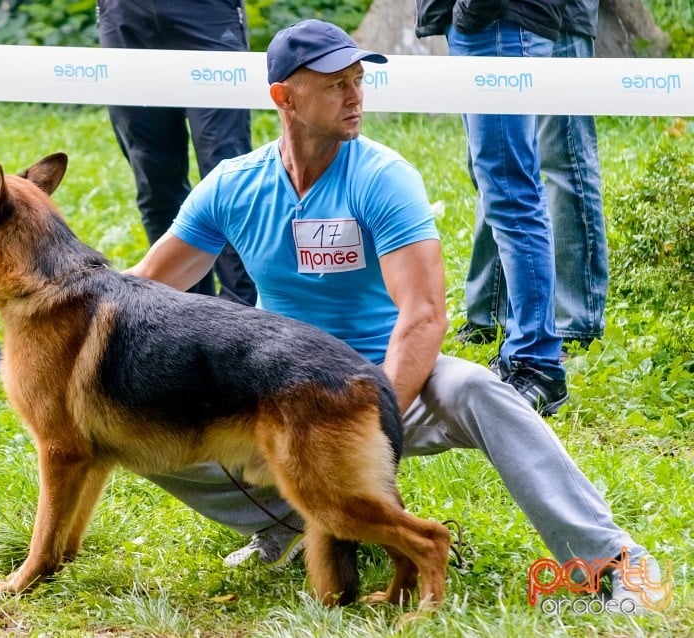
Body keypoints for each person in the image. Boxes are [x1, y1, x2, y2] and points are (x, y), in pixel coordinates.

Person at [128, 18, 660, 604]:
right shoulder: (232, 186)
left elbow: (426, 314)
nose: (355, 96)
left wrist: (364, 426)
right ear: (284, 97)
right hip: (276, 389)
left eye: (358, 80)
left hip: (381, 377)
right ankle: (283, 521)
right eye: (334, 84)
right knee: (132, 426)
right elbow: (150, 285)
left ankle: (613, 561)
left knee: (480, 389)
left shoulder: (383, 177)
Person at [415, 0, 569, 416]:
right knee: (506, 192)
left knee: (512, 194)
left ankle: (537, 363)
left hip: (498, 24)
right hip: (489, 24)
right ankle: (527, 353)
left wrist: (470, 10)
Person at [455, 0, 608, 359]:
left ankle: (574, 321)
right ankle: (488, 313)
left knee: (564, 158)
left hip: (556, 14)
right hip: (476, 17)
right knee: (493, 166)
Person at [97, 0, 257, 305]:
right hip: (126, 16)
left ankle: (243, 314)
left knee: (226, 175)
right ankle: (184, 313)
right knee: (154, 180)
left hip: (206, 14)